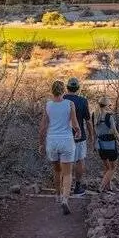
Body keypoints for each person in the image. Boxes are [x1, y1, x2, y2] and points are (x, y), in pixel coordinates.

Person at [39, 80, 81, 215]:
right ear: (64, 91)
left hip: (52, 141)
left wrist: (41, 143)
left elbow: (43, 127)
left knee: (57, 170)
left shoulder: (48, 105)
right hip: (66, 140)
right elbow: (74, 123)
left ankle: (57, 194)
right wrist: (78, 131)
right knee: (68, 173)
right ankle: (65, 199)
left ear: (52, 91)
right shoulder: (70, 104)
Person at [64, 77, 94, 196]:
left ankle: (64, 186)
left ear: (67, 87)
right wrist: (92, 136)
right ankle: (77, 187)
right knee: (80, 160)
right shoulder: (83, 101)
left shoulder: (61, 100)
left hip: (64, 136)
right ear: (78, 88)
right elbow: (88, 121)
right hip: (79, 136)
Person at [95, 97, 119, 194]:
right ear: (107, 105)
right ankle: (101, 187)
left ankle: (108, 187)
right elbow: (115, 132)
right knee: (113, 168)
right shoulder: (109, 117)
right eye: (110, 105)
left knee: (107, 168)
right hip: (110, 145)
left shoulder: (95, 115)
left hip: (100, 145)